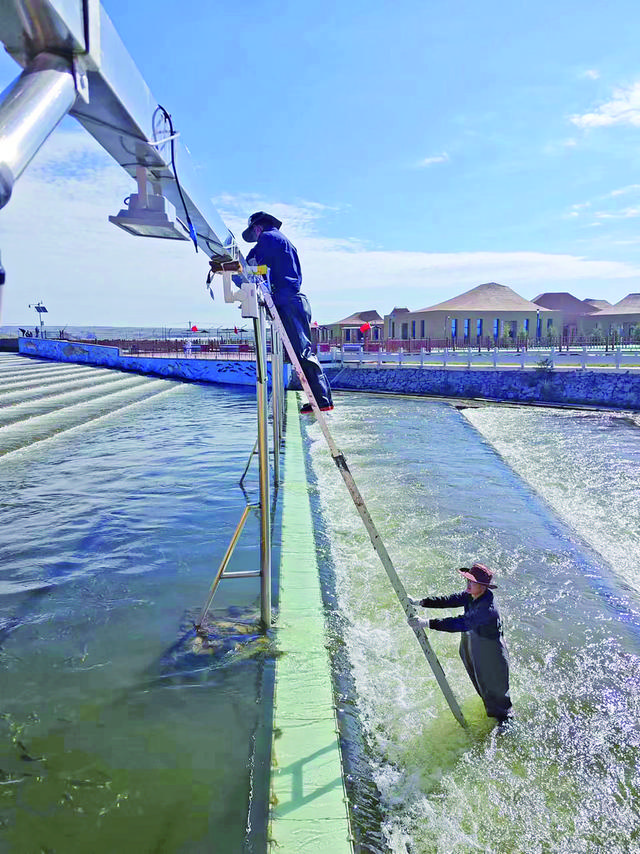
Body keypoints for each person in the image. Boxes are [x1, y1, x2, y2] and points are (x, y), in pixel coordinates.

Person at [242, 211, 333, 413]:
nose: (256, 238)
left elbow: (255, 263)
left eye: (255, 234)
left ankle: (322, 400)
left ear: (257, 228)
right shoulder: (283, 241)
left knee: (302, 352)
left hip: (288, 301)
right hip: (293, 300)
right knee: (302, 351)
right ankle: (321, 398)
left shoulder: (268, 238)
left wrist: (243, 267)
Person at [407, 563, 512, 723]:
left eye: (472, 582)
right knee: (482, 689)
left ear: (483, 587)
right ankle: (493, 718)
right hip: (475, 644)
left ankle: (506, 727)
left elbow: (460, 623)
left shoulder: (487, 609)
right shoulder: (471, 594)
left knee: (499, 700)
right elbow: (450, 600)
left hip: (492, 654)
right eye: (467, 580)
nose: (468, 584)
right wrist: (421, 602)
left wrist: (427, 623)